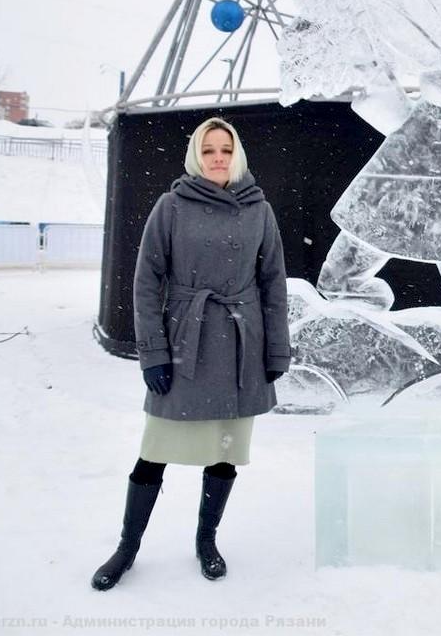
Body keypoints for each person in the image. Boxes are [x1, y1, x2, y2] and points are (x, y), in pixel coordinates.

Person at [91, 117, 290, 590]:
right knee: (152, 455)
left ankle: (206, 541)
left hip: (241, 347)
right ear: (195, 156)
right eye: (208, 150)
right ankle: (127, 548)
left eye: (225, 149)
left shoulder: (259, 210)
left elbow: (273, 284)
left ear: (236, 154)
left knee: (223, 456)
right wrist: (153, 353)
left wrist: (276, 349)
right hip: (185, 342)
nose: (218, 158)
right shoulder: (171, 206)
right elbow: (146, 282)